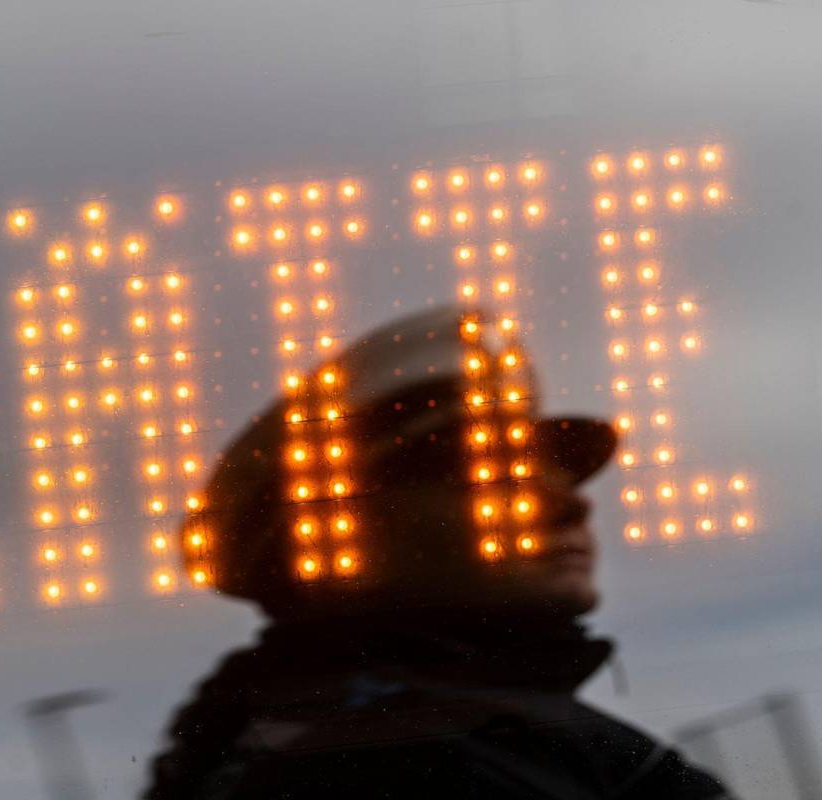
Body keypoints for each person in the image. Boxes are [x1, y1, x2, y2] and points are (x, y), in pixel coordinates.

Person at [144, 307, 731, 799]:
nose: (572, 507)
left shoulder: (263, 739)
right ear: (345, 533)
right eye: (492, 480)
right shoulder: (405, 766)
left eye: (560, 480)